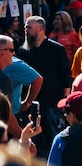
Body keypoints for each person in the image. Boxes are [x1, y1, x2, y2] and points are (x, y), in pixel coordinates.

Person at [17, 16, 72, 158]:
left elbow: (66, 75)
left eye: (29, 27)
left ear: (40, 29)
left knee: (53, 139)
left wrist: (65, 100)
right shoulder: (23, 51)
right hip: (27, 103)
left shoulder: (56, 49)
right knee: (31, 141)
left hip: (51, 103)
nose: (26, 30)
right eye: (25, 27)